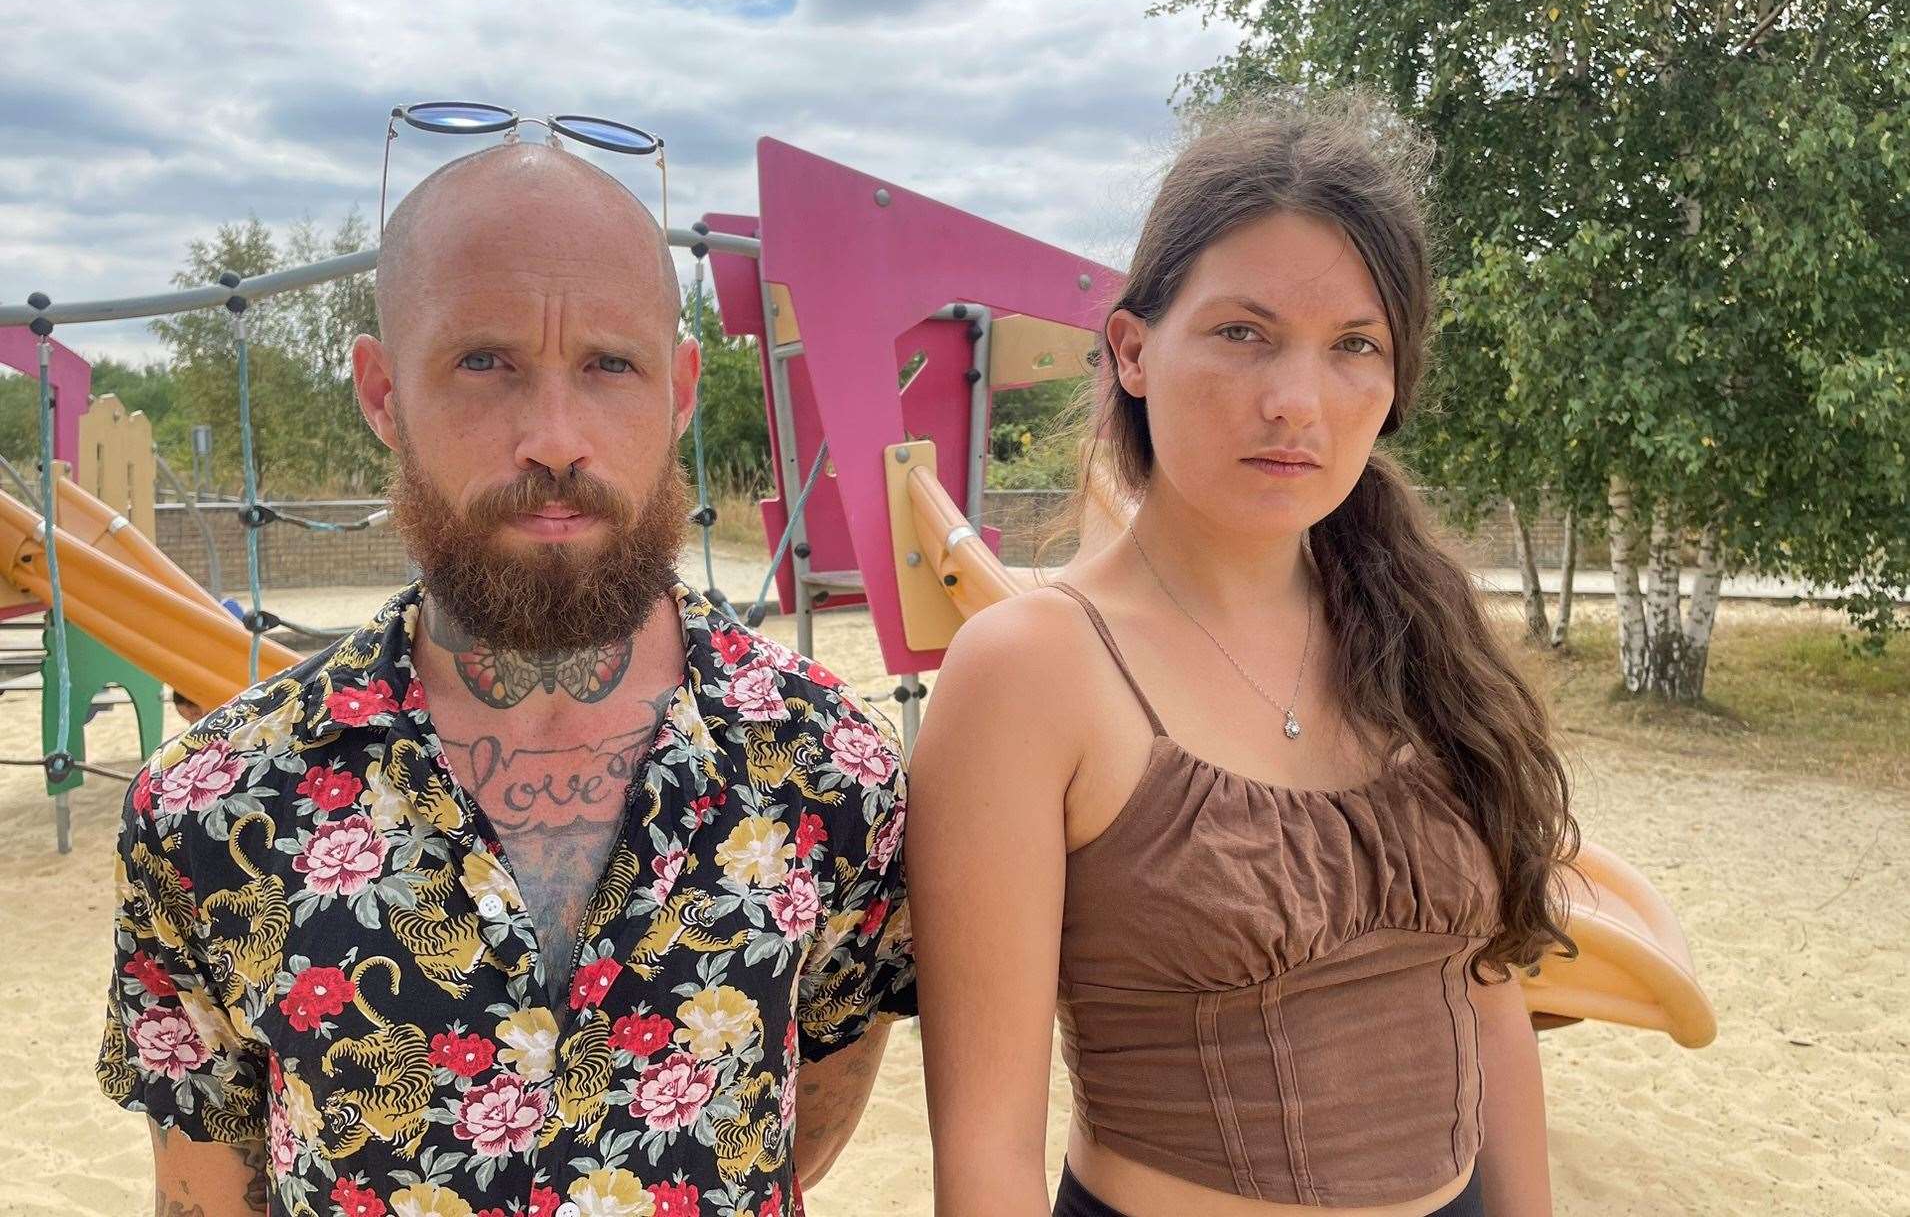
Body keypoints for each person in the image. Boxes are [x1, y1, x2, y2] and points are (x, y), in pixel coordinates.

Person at [96, 141, 915, 1216]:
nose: (555, 439)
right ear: (383, 393)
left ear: (677, 392)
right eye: (485, 362)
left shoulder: (828, 768)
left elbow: (803, 1122)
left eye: (607, 365)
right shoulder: (210, 806)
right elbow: (204, 1192)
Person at [907, 93, 1577, 1217]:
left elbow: (1481, 993)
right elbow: (983, 1151)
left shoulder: (1419, 629)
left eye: (1352, 345)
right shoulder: (1031, 668)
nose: (1293, 402)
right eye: (1241, 332)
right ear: (1131, 348)